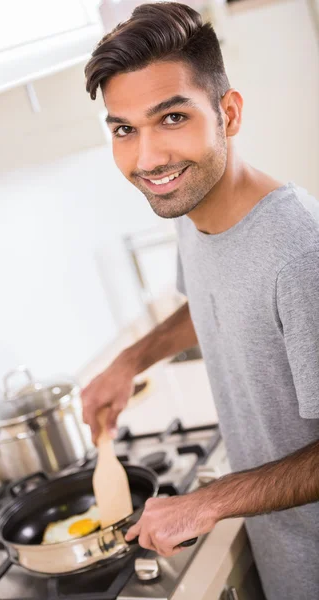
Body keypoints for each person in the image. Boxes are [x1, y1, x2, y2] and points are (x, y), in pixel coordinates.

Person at [81, 3, 319, 599]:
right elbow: (216, 307)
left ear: (228, 113)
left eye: (172, 117)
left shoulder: (301, 255)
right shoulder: (193, 207)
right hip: (285, 556)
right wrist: (130, 361)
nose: (149, 158)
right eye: (124, 129)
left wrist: (206, 503)